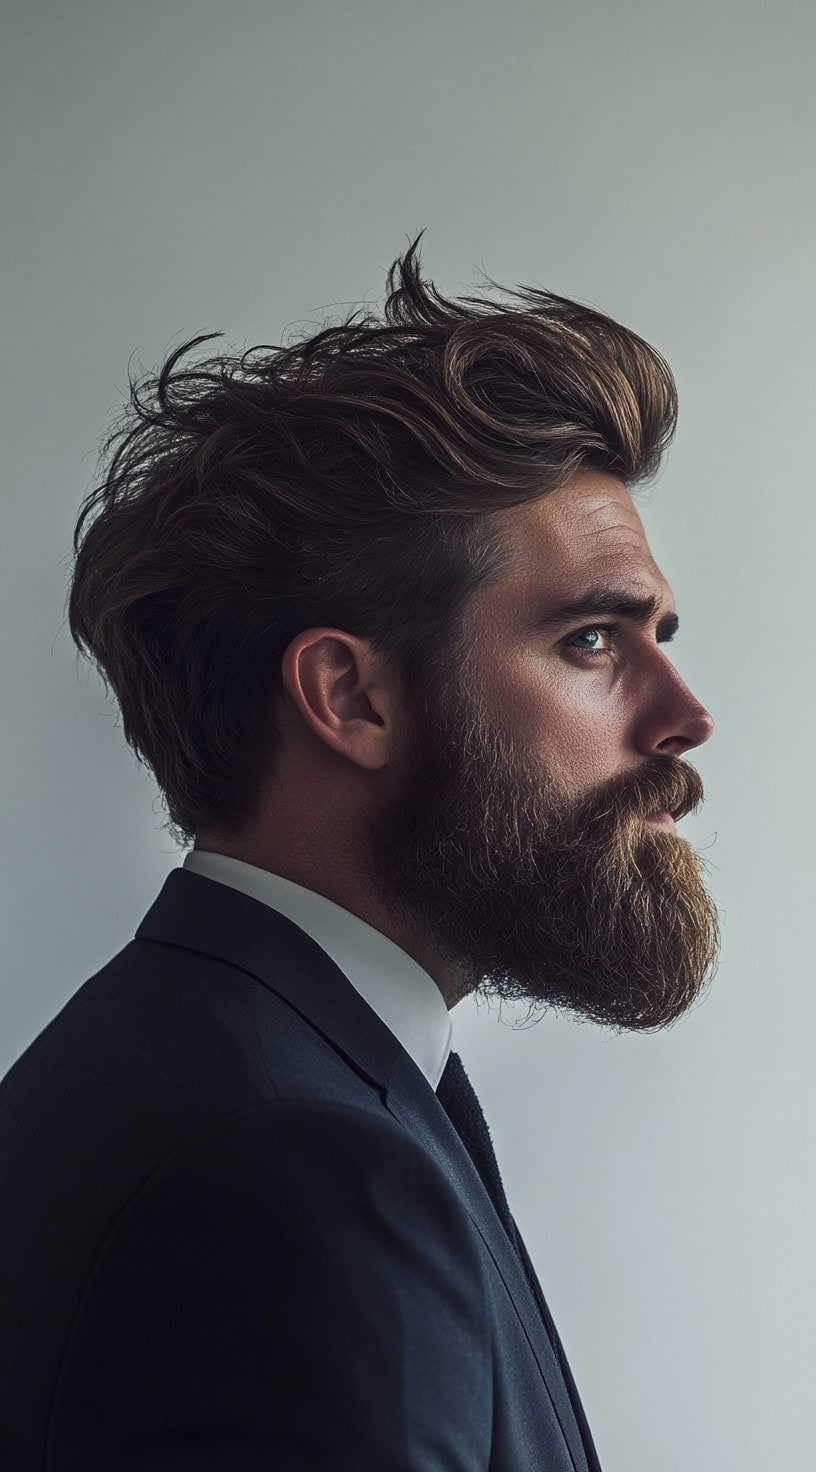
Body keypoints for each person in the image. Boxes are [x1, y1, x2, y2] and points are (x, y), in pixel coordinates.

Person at [0, 233, 720, 1470]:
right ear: (351, 697)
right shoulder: (290, 1159)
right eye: (594, 640)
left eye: (658, 633)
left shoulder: (264, 1067)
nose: (683, 713)